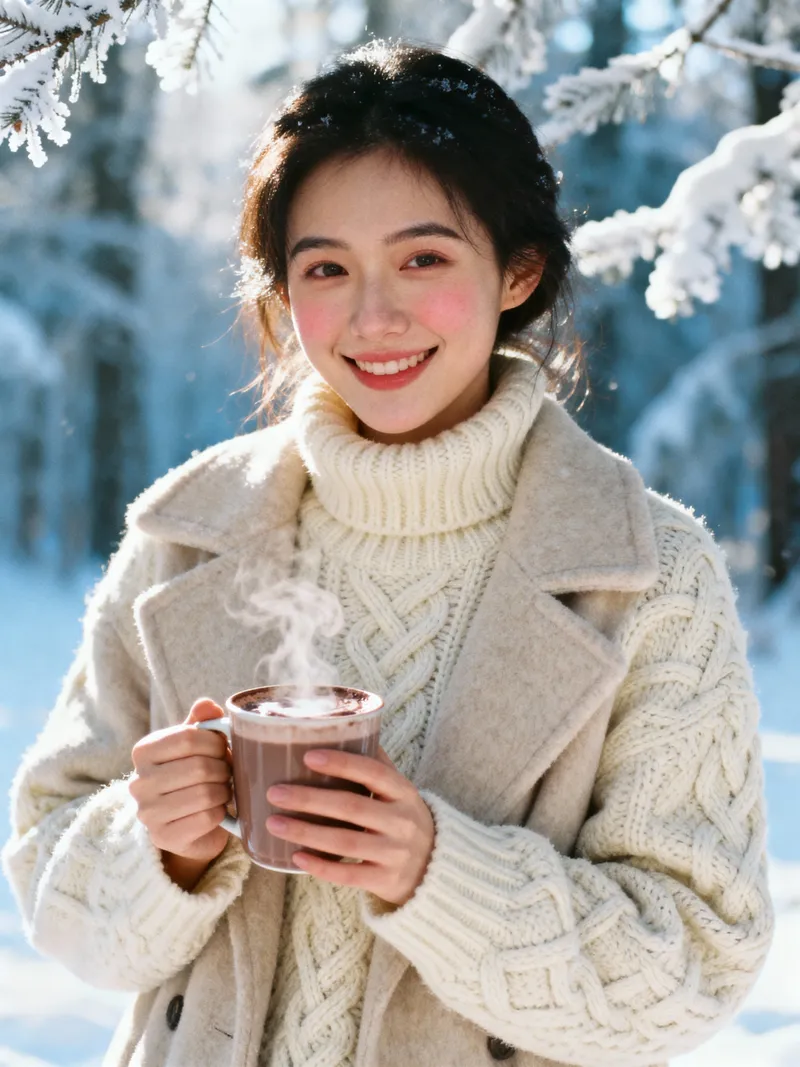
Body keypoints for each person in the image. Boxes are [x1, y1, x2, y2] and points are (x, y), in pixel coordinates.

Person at [2, 38, 773, 1067]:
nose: (373, 316)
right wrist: (163, 849)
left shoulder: (645, 575)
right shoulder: (186, 535)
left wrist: (437, 874)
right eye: (325, 268)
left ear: (517, 269)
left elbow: (690, 962)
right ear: (282, 291)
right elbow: (51, 886)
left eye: (422, 257)